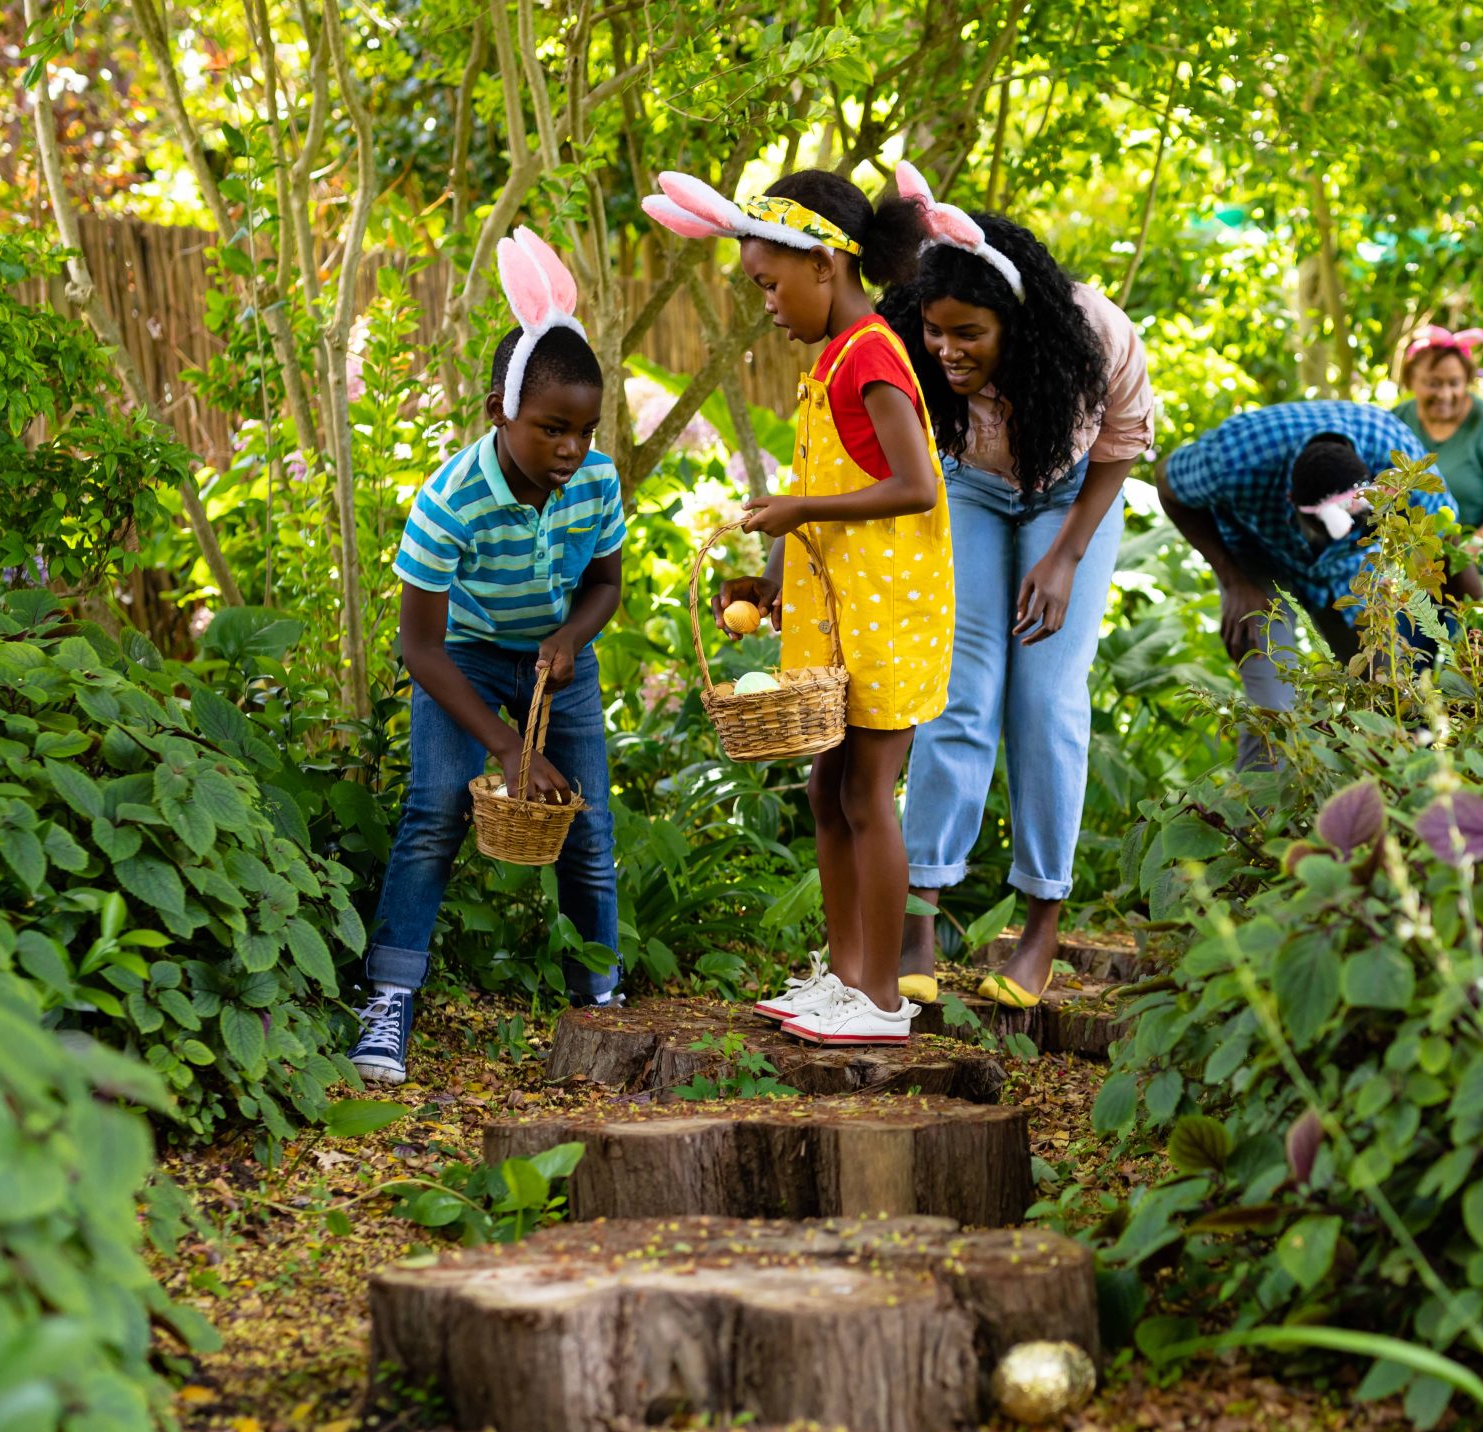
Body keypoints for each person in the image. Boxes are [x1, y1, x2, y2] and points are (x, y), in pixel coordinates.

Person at [642, 167, 948, 1045]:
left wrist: (803, 512)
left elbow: (917, 487)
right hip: (836, 615)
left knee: (867, 794)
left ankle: (883, 997)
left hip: (889, 619)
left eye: (771, 284)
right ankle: (846, 975)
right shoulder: (831, 360)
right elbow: (821, 481)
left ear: (824, 264)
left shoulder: (876, 356)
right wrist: (776, 580)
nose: (767, 303)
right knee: (827, 788)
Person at [876, 165, 1155, 1010]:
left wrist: (1066, 556)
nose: (947, 351)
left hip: (1073, 494)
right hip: (969, 487)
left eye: (969, 334)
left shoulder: (1095, 333)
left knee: (1046, 700)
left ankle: (1041, 921)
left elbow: (1124, 440)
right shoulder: (916, 345)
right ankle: (918, 912)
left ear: (1017, 322)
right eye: (935, 332)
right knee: (960, 689)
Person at [351, 229, 625, 1087]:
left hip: (554, 664)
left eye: (584, 429)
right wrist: (509, 747)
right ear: (499, 413)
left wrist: (570, 637)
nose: (570, 449)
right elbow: (418, 647)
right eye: (551, 428)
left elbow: (607, 584)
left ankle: (599, 998)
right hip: (462, 658)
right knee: (435, 808)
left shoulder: (596, 480)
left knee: (587, 823)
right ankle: (389, 997)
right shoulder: (448, 503)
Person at [1156, 400, 1469, 772]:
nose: (1329, 539)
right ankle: (1256, 821)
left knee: (1389, 697)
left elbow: (1448, 544)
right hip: (1256, 560)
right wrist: (1233, 580)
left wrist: (1475, 634)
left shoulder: (1398, 460)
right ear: (1290, 501)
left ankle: (1379, 805)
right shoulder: (1232, 460)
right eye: (1322, 532)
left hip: (1349, 568)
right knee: (1275, 708)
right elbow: (1166, 481)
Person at [1391, 324, 1483, 536]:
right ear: (1411, 381)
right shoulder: (1395, 422)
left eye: (1454, 383)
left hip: (1475, 557)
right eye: (1433, 384)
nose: (1444, 395)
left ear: (1467, 382)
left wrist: (1472, 549)